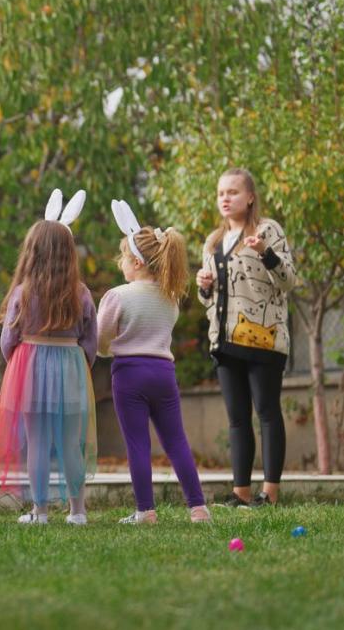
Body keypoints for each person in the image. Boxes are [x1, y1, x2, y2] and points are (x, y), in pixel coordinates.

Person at [0, 190, 97, 525]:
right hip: (70, 368)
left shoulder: (22, 293)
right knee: (70, 442)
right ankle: (78, 512)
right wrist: (80, 367)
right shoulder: (82, 293)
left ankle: (41, 511)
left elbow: (9, 339)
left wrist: (18, 364)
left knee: (37, 443)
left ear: (32, 253)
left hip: (30, 369)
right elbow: (90, 340)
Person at [98, 200, 209, 524]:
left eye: (122, 257)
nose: (120, 264)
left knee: (137, 444)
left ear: (135, 260)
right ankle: (198, 507)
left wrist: (106, 351)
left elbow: (101, 338)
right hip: (163, 372)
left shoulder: (117, 295)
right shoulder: (170, 298)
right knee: (176, 441)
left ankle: (145, 510)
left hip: (129, 374)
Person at [195, 168, 297, 507]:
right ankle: (240, 493)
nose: (225, 198)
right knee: (237, 418)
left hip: (264, 339)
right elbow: (209, 300)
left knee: (267, 412)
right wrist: (203, 288)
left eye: (233, 192)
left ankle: (269, 493)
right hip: (225, 341)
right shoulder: (213, 242)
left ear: (250, 197)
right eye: (221, 192)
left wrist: (266, 252)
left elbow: (288, 281)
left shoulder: (268, 230)